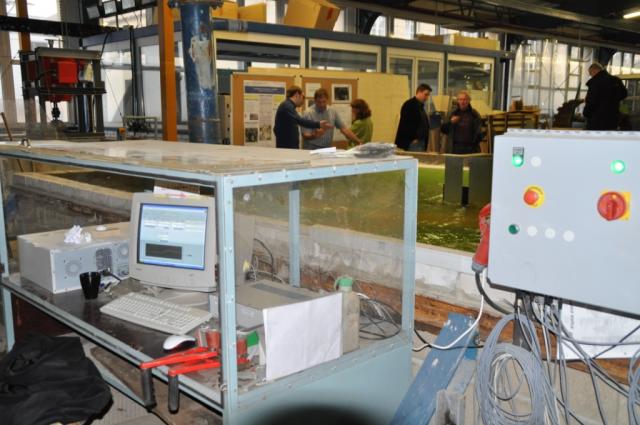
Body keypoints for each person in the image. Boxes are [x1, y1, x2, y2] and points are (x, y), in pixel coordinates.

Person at [583, 62, 627, 130]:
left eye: (590, 73)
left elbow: (591, 101)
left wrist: (586, 113)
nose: (591, 76)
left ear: (594, 70)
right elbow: (624, 94)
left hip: (596, 120)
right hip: (612, 118)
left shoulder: (595, 82)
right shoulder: (616, 80)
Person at [394, 84, 431, 151]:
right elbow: (406, 124)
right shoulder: (409, 105)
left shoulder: (420, 106)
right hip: (413, 143)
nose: (427, 98)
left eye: (428, 95)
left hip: (420, 142)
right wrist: (413, 139)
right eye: (425, 94)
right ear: (419, 92)